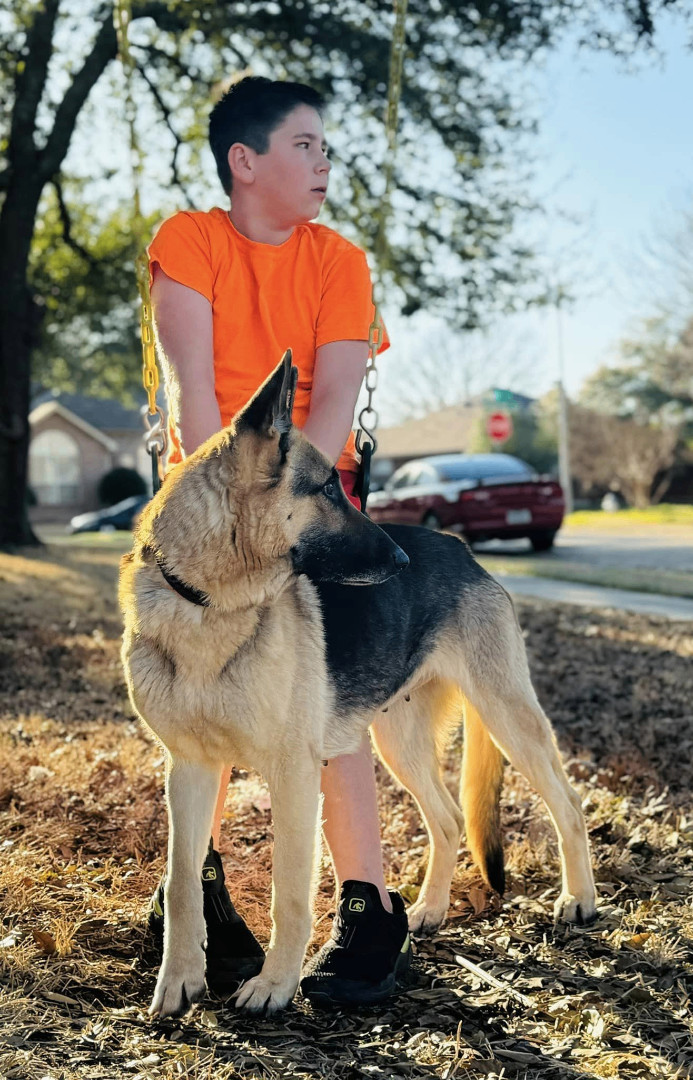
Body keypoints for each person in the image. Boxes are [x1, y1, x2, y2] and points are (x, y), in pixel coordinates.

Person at [146, 75, 412, 1007]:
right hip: (212, 494)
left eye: (327, 148)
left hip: (307, 494)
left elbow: (334, 398)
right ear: (245, 161)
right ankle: (193, 896)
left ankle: (370, 904)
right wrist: (234, 506)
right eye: (306, 146)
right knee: (196, 700)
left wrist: (289, 497)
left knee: (322, 710)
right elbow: (194, 392)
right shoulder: (191, 243)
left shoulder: (338, 259)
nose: (324, 162)